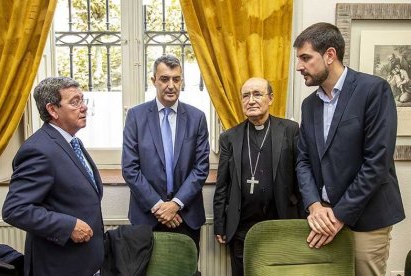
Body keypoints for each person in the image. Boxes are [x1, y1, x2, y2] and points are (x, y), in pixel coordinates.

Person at [294, 22, 405, 276]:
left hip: (367, 219)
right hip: (322, 219)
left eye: (305, 58)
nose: (299, 66)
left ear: (330, 55)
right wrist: (314, 205)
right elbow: (303, 161)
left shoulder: (374, 90)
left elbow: (376, 162)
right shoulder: (308, 105)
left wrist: (339, 214)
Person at [2, 77, 104, 276]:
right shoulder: (38, 149)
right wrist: (68, 226)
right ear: (52, 110)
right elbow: (15, 209)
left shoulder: (72, 143)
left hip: (83, 262)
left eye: (83, 100)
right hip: (58, 265)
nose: (83, 107)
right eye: (75, 102)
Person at [213, 77, 304, 276]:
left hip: (280, 223)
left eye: (257, 94)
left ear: (270, 98)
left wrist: (305, 219)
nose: (251, 100)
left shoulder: (290, 130)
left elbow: (302, 177)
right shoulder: (230, 137)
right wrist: (219, 224)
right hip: (242, 227)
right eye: (246, 96)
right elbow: (223, 185)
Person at [122, 54, 210, 253]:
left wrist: (176, 205)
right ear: (154, 80)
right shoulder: (136, 116)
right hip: (147, 216)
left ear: (182, 81)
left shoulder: (197, 118)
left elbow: (201, 167)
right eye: (164, 79)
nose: (171, 85)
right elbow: (130, 168)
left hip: (186, 216)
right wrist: (159, 206)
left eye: (176, 79)